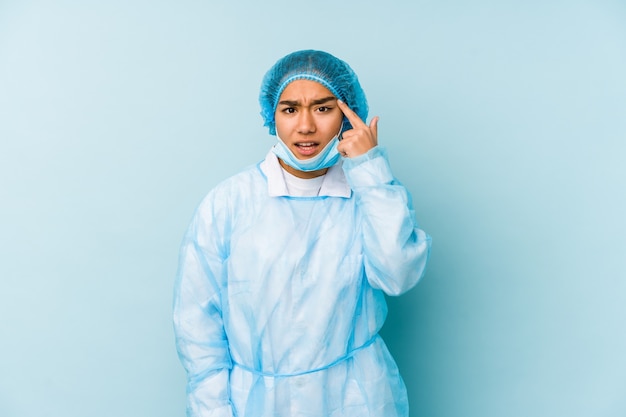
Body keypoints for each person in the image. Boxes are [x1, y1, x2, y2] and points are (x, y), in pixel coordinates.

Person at [173, 49, 432, 417]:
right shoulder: (229, 203)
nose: (306, 126)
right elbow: (197, 324)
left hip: (355, 400)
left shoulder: (371, 196)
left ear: (347, 115)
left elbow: (398, 274)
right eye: (290, 109)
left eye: (323, 108)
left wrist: (370, 170)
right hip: (255, 403)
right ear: (272, 115)